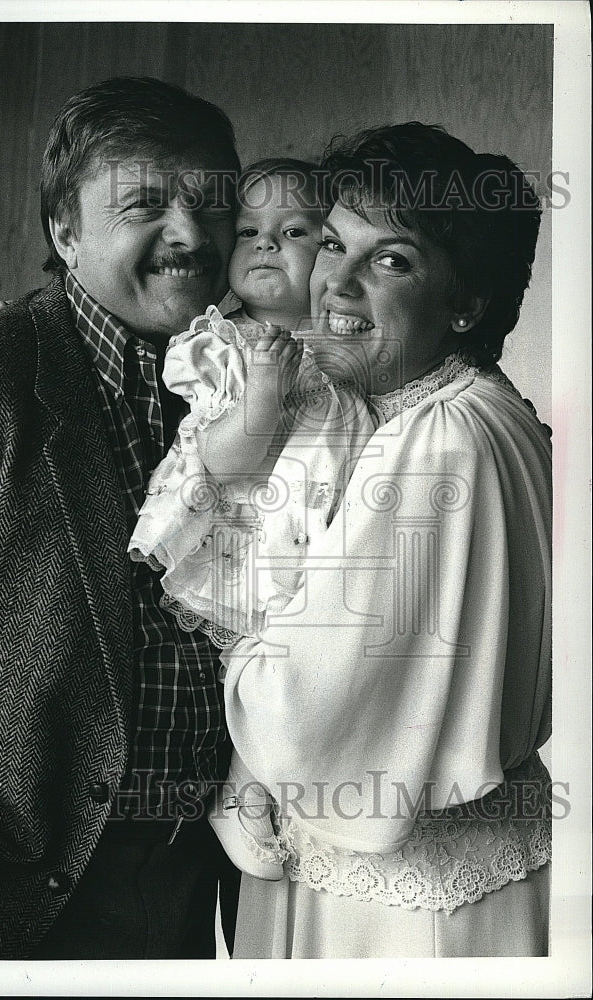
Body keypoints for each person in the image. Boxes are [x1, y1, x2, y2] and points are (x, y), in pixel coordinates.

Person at [0, 76, 244, 960]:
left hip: (194, 887)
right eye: (145, 203)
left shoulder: (249, 386)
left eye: (213, 202)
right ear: (65, 232)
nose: (190, 233)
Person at [217, 123, 552, 958]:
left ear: (466, 303)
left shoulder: (437, 440)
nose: (336, 285)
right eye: (334, 244)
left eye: (392, 260)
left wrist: (233, 639)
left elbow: (309, 704)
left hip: (399, 906)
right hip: (435, 874)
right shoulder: (483, 412)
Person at [128, 158, 380, 880]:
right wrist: (267, 383)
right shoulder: (226, 347)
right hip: (252, 542)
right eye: (249, 231)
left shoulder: (348, 348)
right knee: (258, 664)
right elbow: (227, 462)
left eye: (294, 230)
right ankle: (240, 791)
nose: (266, 244)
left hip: (330, 540)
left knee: (320, 670)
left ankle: (292, 786)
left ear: (332, 251)